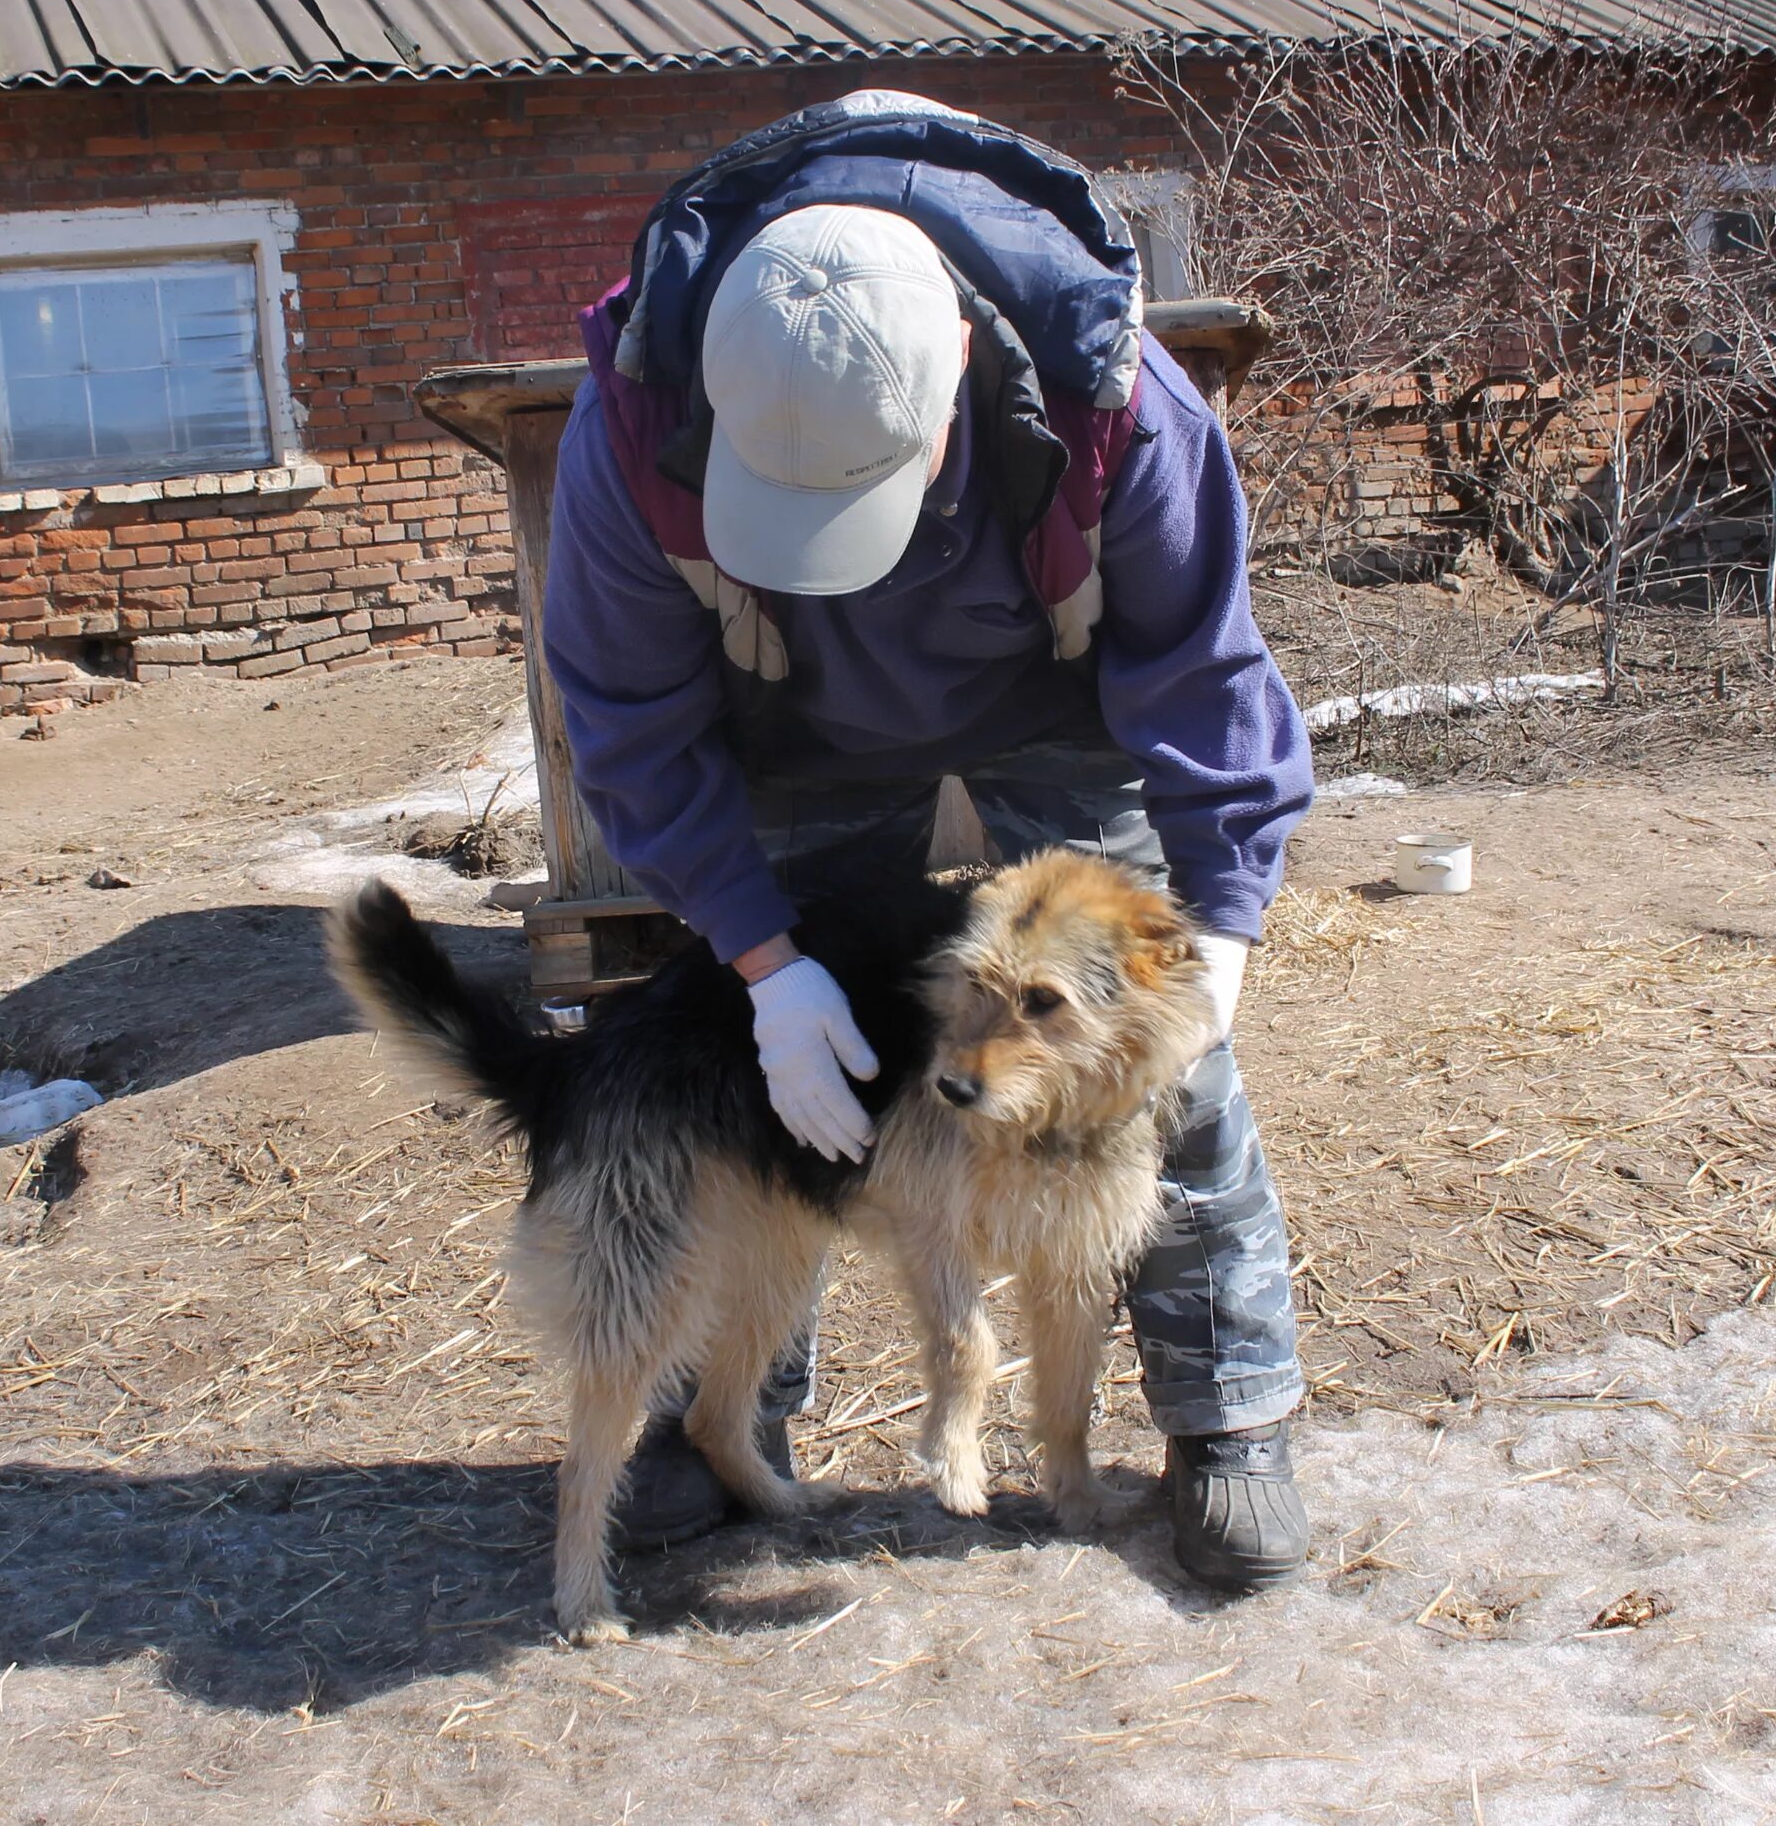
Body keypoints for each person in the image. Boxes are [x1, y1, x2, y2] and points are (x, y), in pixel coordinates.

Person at [539, 92, 1315, 1590]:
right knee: (813, 1088)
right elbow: (628, 717)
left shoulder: (1116, 402)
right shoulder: (633, 427)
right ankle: (732, 1411)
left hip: (1056, 690)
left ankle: (1228, 1416)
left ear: (958, 363)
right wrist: (764, 960)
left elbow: (1206, 673)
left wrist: (1212, 941)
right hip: (792, 717)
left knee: (1161, 1077)